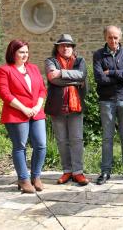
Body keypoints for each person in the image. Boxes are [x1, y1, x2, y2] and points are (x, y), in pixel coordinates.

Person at [0, 40, 47, 193]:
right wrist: (24, 109)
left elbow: (42, 90)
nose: (25, 55)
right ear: (13, 53)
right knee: (20, 146)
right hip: (16, 113)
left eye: (26, 52)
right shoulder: (5, 70)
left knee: (41, 145)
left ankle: (36, 176)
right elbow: (4, 94)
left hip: (36, 112)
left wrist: (37, 107)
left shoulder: (33, 68)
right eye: (21, 52)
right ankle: (23, 180)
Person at [93, 25, 123, 185]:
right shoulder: (98, 55)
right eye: (110, 37)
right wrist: (120, 74)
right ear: (105, 37)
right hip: (106, 101)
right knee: (107, 138)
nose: (113, 40)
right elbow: (100, 78)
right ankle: (105, 171)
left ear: (120, 37)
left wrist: (111, 72)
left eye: (116, 37)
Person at [44, 34, 89, 186]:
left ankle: (78, 172)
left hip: (76, 107)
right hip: (57, 107)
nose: (66, 48)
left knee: (77, 140)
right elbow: (52, 78)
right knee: (62, 141)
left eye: (68, 45)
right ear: (57, 47)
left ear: (73, 48)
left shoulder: (80, 61)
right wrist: (75, 81)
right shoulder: (51, 61)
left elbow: (82, 75)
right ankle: (67, 171)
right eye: (62, 45)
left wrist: (62, 73)